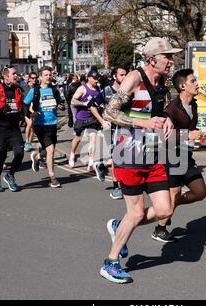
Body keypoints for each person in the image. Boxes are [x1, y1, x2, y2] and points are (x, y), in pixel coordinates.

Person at [99, 37, 179, 284]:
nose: (171, 61)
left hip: (153, 155)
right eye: (167, 56)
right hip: (128, 156)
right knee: (135, 213)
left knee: (165, 209)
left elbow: (161, 110)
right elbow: (110, 112)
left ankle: (118, 226)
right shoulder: (134, 78)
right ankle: (111, 263)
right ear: (152, 59)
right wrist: (143, 122)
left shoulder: (162, 81)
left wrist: (168, 120)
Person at [150, 68, 206, 243]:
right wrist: (188, 135)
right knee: (174, 193)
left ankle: (171, 206)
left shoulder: (193, 104)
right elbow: (163, 136)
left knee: (200, 192)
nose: (197, 83)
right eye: (193, 81)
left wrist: (196, 133)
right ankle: (160, 229)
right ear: (182, 86)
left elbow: (188, 130)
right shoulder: (171, 110)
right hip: (170, 156)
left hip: (185, 155)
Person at [25, 66, 65, 188]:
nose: (49, 76)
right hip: (40, 125)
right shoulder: (35, 91)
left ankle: (36, 157)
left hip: (53, 124)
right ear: (40, 77)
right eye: (46, 75)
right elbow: (25, 105)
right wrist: (31, 114)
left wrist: (61, 107)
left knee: (48, 149)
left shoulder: (54, 90)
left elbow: (60, 103)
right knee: (51, 150)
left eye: (50, 74)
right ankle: (52, 177)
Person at [0, 65, 24, 192]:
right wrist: (0, 110)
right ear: (6, 77)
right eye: (13, 74)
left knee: (20, 153)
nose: (16, 76)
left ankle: (10, 175)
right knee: (1, 157)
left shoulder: (18, 90)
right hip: (1, 129)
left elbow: (21, 107)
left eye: (16, 74)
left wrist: (28, 114)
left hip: (14, 129)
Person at [92, 66, 127, 200]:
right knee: (117, 157)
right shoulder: (106, 91)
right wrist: (102, 121)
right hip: (111, 129)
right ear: (114, 76)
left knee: (123, 156)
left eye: (126, 75)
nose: (124, 77)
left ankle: (101, 166)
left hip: (125, 128)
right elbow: (93, 106)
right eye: (122, 75)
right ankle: (116, 187)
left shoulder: (128, 91)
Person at [69, 69, 102, 171]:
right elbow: (73, 101)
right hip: (81, 118)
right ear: (89, 78)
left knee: (93, 141)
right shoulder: (82, 88)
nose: (97, 80)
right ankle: (72, 153)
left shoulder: (98, 89)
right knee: (77, 139)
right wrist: (84, 104)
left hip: (92, 119)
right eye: (95, 78)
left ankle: (91, 163)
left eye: (98, 78)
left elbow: (100, 102)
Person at [22, 71, 38, 152]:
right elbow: (22, 98)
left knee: (33, 127)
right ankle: (27, 141)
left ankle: (29, 142)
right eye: (32, 78)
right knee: (30, 124)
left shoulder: (37, 87)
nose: (34, 80)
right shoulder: (24, 87)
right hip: (26, 108)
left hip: (34, 108)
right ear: (29, 79)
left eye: (35, 78)